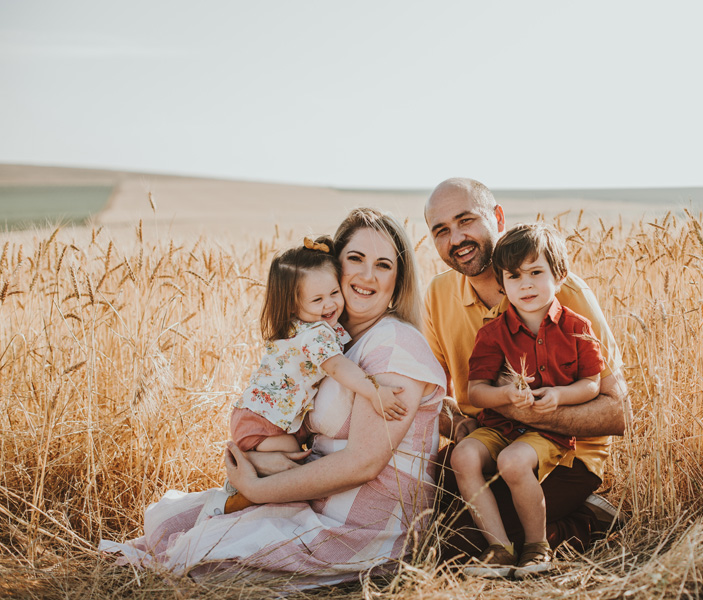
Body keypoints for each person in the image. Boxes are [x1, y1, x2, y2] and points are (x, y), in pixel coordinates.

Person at [100, 208, 447, 589]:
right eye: (355, 259)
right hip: (316, 500)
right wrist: (262, 458)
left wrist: (257, 489)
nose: (367, 276)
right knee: (172, 524)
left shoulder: (394, 344)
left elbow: (363, 463)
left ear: (398, 281)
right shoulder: (330, 339)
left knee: (199, 551)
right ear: (333, 266)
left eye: (383, 265)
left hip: (362, 527)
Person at [423, 177, 630, 561]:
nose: (456, 239)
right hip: (489, 443)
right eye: (441, 230)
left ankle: (585, 519)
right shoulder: (438, 294)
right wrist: (458, 423)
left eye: (466, 220)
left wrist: (525, 410)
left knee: (460, 549)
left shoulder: (563, 293)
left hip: (563, 453)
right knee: (416, 520)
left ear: (497, 217)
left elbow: (619, 413)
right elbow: (436, 395)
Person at [453, 223, 607, 578]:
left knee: (513, 461)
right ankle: (499, 548)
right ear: (501, 283)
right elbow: (476, 390)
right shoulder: (492, 333)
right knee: (462, 456)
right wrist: (504, 395)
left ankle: (538, 548)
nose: (525, 284)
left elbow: (592, 383)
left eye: (536, 273)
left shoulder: (576, 328)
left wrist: (559, 395)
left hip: (546, 434)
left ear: (559, 275)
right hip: (498, 426)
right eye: (514, 276)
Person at [223, 235, 406, 512]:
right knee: (291, 468)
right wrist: (374, 390)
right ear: (294, 307)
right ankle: (243, 494)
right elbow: (338, 367)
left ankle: (248, 483)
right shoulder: (316, 334)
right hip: (264, 421)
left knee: (289, 465)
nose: (329, 305)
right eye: (317, 299)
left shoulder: (308, 327)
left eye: (334, 293)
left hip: (259, 415)